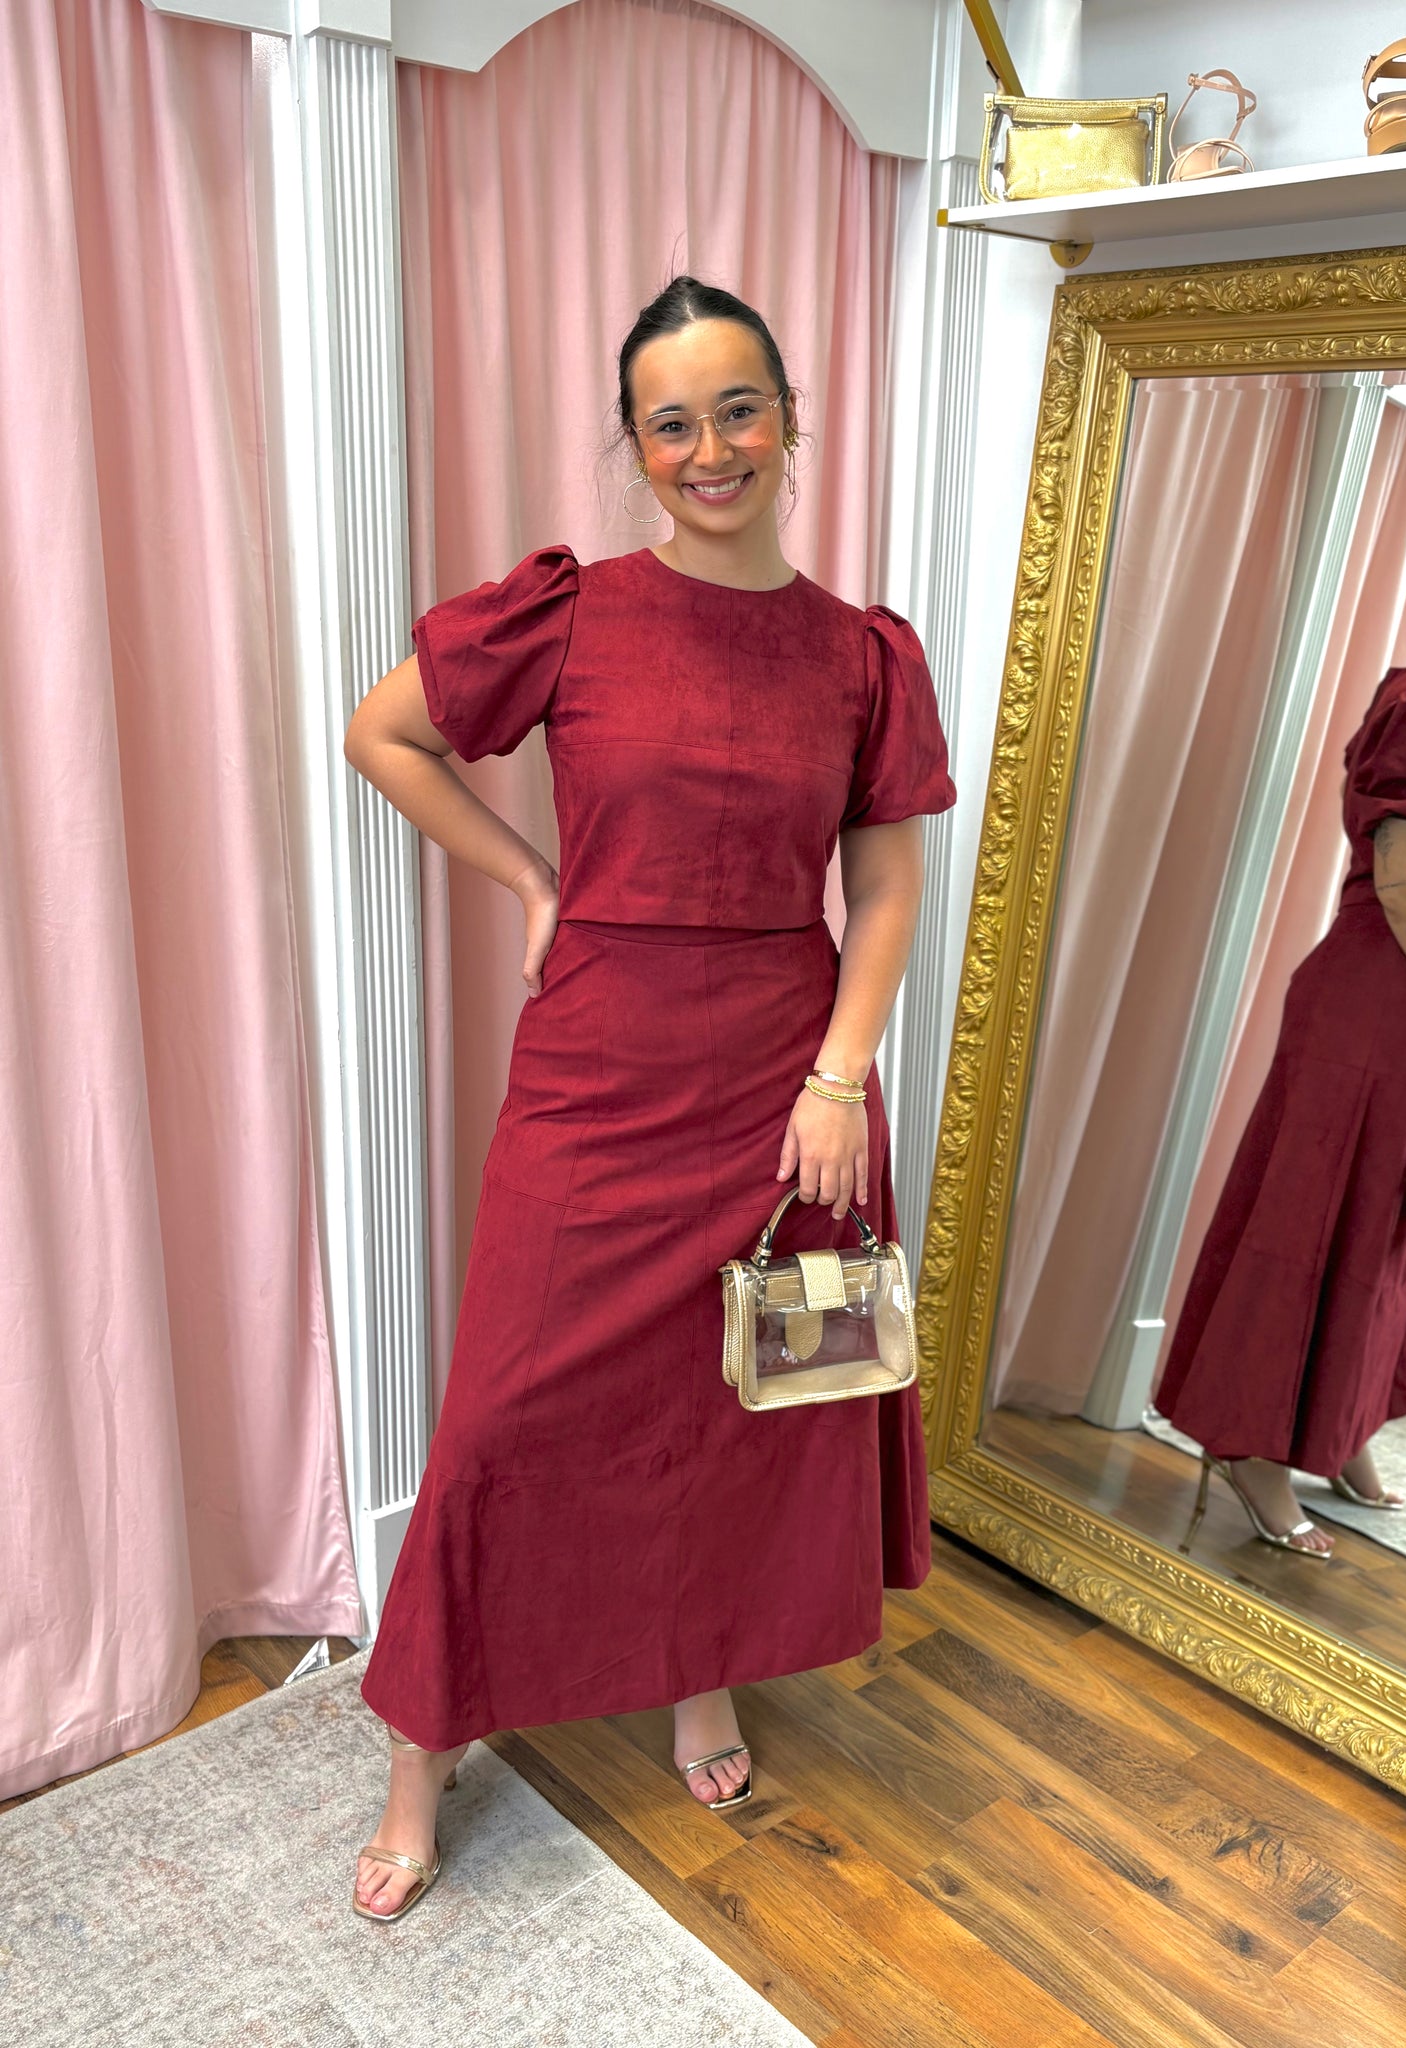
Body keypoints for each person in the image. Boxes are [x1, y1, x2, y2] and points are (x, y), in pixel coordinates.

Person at [341, 276, 956, 1918]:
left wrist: (841, 1076)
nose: (711, 448)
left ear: (789, 418)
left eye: (739, 409)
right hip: (597, 1066)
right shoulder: (572, 613)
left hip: (786, 1079)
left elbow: (885, 888)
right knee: (501, 1414)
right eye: (671, 423)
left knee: (743, 1410)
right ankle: (422, 1748)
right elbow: (384, 734)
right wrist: (533, 880)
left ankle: (703, 1678)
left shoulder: (862, 652)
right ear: (636, 446)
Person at [1158, 490, 1406, 1560]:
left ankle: (1338, 1427)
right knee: (1318, 1220)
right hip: (1382, 1000)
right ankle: (1254, 1445)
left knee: (1383, 1231)